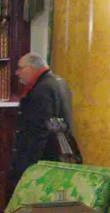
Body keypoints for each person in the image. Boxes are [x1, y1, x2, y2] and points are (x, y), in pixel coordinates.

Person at [9, 52, 74, 191]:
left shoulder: (41, 89)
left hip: (45, 158)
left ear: (31, 68)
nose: (17, 73)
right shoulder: (59, 82)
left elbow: (39, 130)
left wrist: (31, 165)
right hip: (61, 153)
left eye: (20, 68)